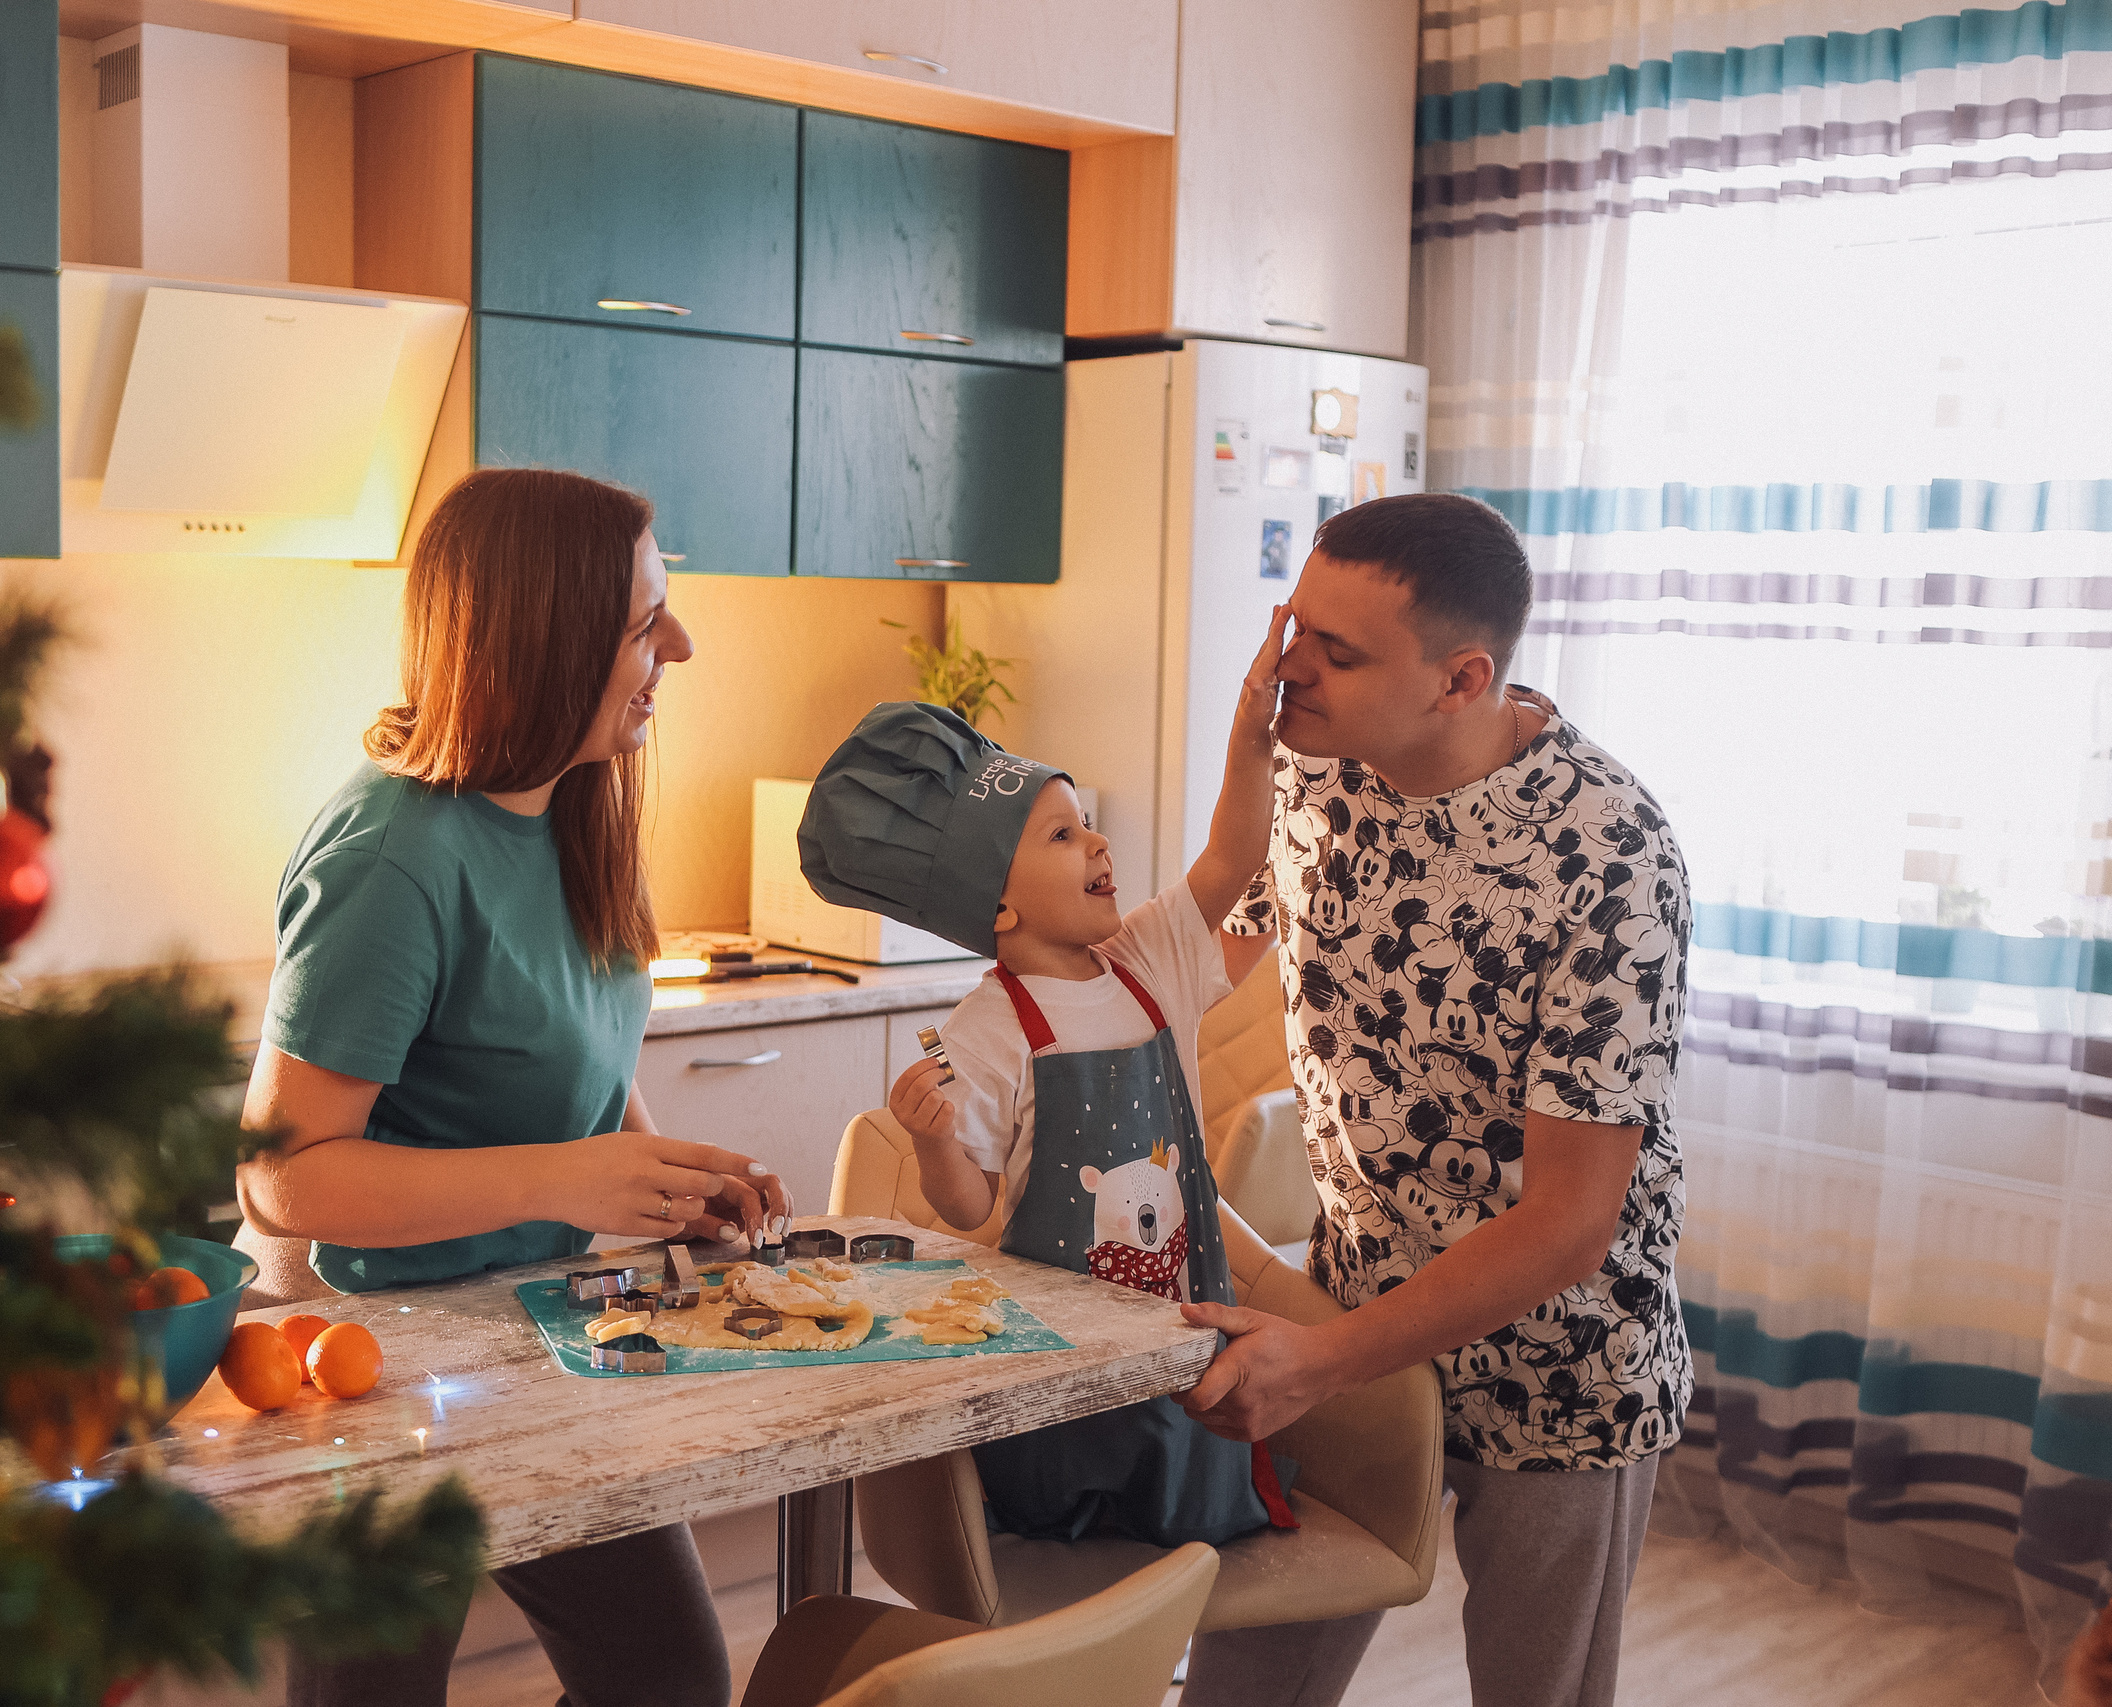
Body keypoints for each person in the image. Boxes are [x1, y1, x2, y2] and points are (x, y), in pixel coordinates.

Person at [233, 467, 790, 1707]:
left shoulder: (573, 805)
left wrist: (664, 1177)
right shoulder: (392, 855)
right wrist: (568, 1176)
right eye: (647, 622)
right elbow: (281, 1178)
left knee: (665, 1678)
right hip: (365, 1347)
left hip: (531, 1325)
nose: (680, 648)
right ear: (543, 638)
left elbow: (577, 1057)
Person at [1172, 492, 1692, 1707]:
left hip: (1560, 1371)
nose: (1285, 670)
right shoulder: (1314, 775)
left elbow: (1571, 1224)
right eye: (1290, 626)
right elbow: (1182, 979)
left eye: (1334, 652)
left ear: (1460, 681)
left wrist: (1319, 1362)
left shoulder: (1610, 854)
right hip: (1346, 1310)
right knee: (1245, 1685)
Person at [797, 684, 1298, 1551]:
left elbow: (1233, 853)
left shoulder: (1148, 958)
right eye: (1062, 834)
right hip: (1057, 1360)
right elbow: (967, 1206)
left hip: (1177, 1334)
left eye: (1087, 822)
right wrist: (931, 1138)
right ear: (999, 907)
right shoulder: (983, 1029)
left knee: (1176, 1539)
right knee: (1064, 1544)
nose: (1098, 841)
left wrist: (1252, 735)